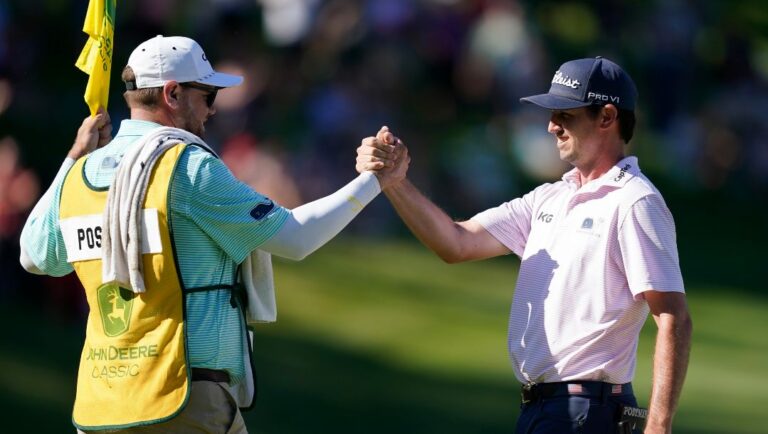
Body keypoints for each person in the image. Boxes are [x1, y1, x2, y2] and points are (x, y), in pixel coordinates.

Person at [19, 35, 404, 433]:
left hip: (102, 404)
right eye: (207, 94)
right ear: (172, 94)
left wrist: (72, 159)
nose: (213, 109)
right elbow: (296, 237)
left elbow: (34, 254)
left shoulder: (82, 174)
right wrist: (374, 181)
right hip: (181, 396)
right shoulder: (186, 166)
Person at [357, 57, 692, 434]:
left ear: (606, 116)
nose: (551, 126)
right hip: (546, 410)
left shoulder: (634, 201)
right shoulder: (548, 198)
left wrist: (658, 426)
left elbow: (673, 316)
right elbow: (456, 242)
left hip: (588, 412)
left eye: (565, 115)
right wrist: (395, 181)